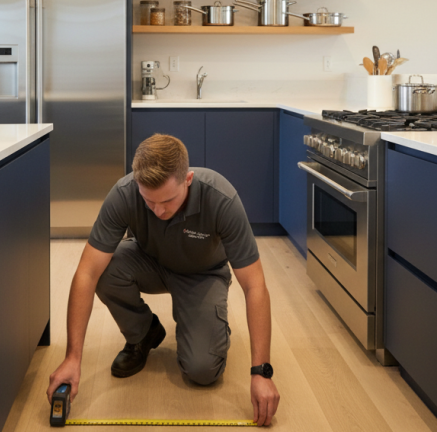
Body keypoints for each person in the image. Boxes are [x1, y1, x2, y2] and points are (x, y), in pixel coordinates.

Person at [46, 133, 281, 426]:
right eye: (149, 201)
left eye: (168, 201)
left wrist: (261, 371)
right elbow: (86, 273)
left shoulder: (221, 198)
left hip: (202, 274)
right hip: (150, 260)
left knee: (202, 371)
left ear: (188, 180)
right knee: (105, 269)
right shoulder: (124, 193)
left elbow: (255, 285)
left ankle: (204, 325)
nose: (158, 211)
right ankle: (143, 334)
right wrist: (72, 358)